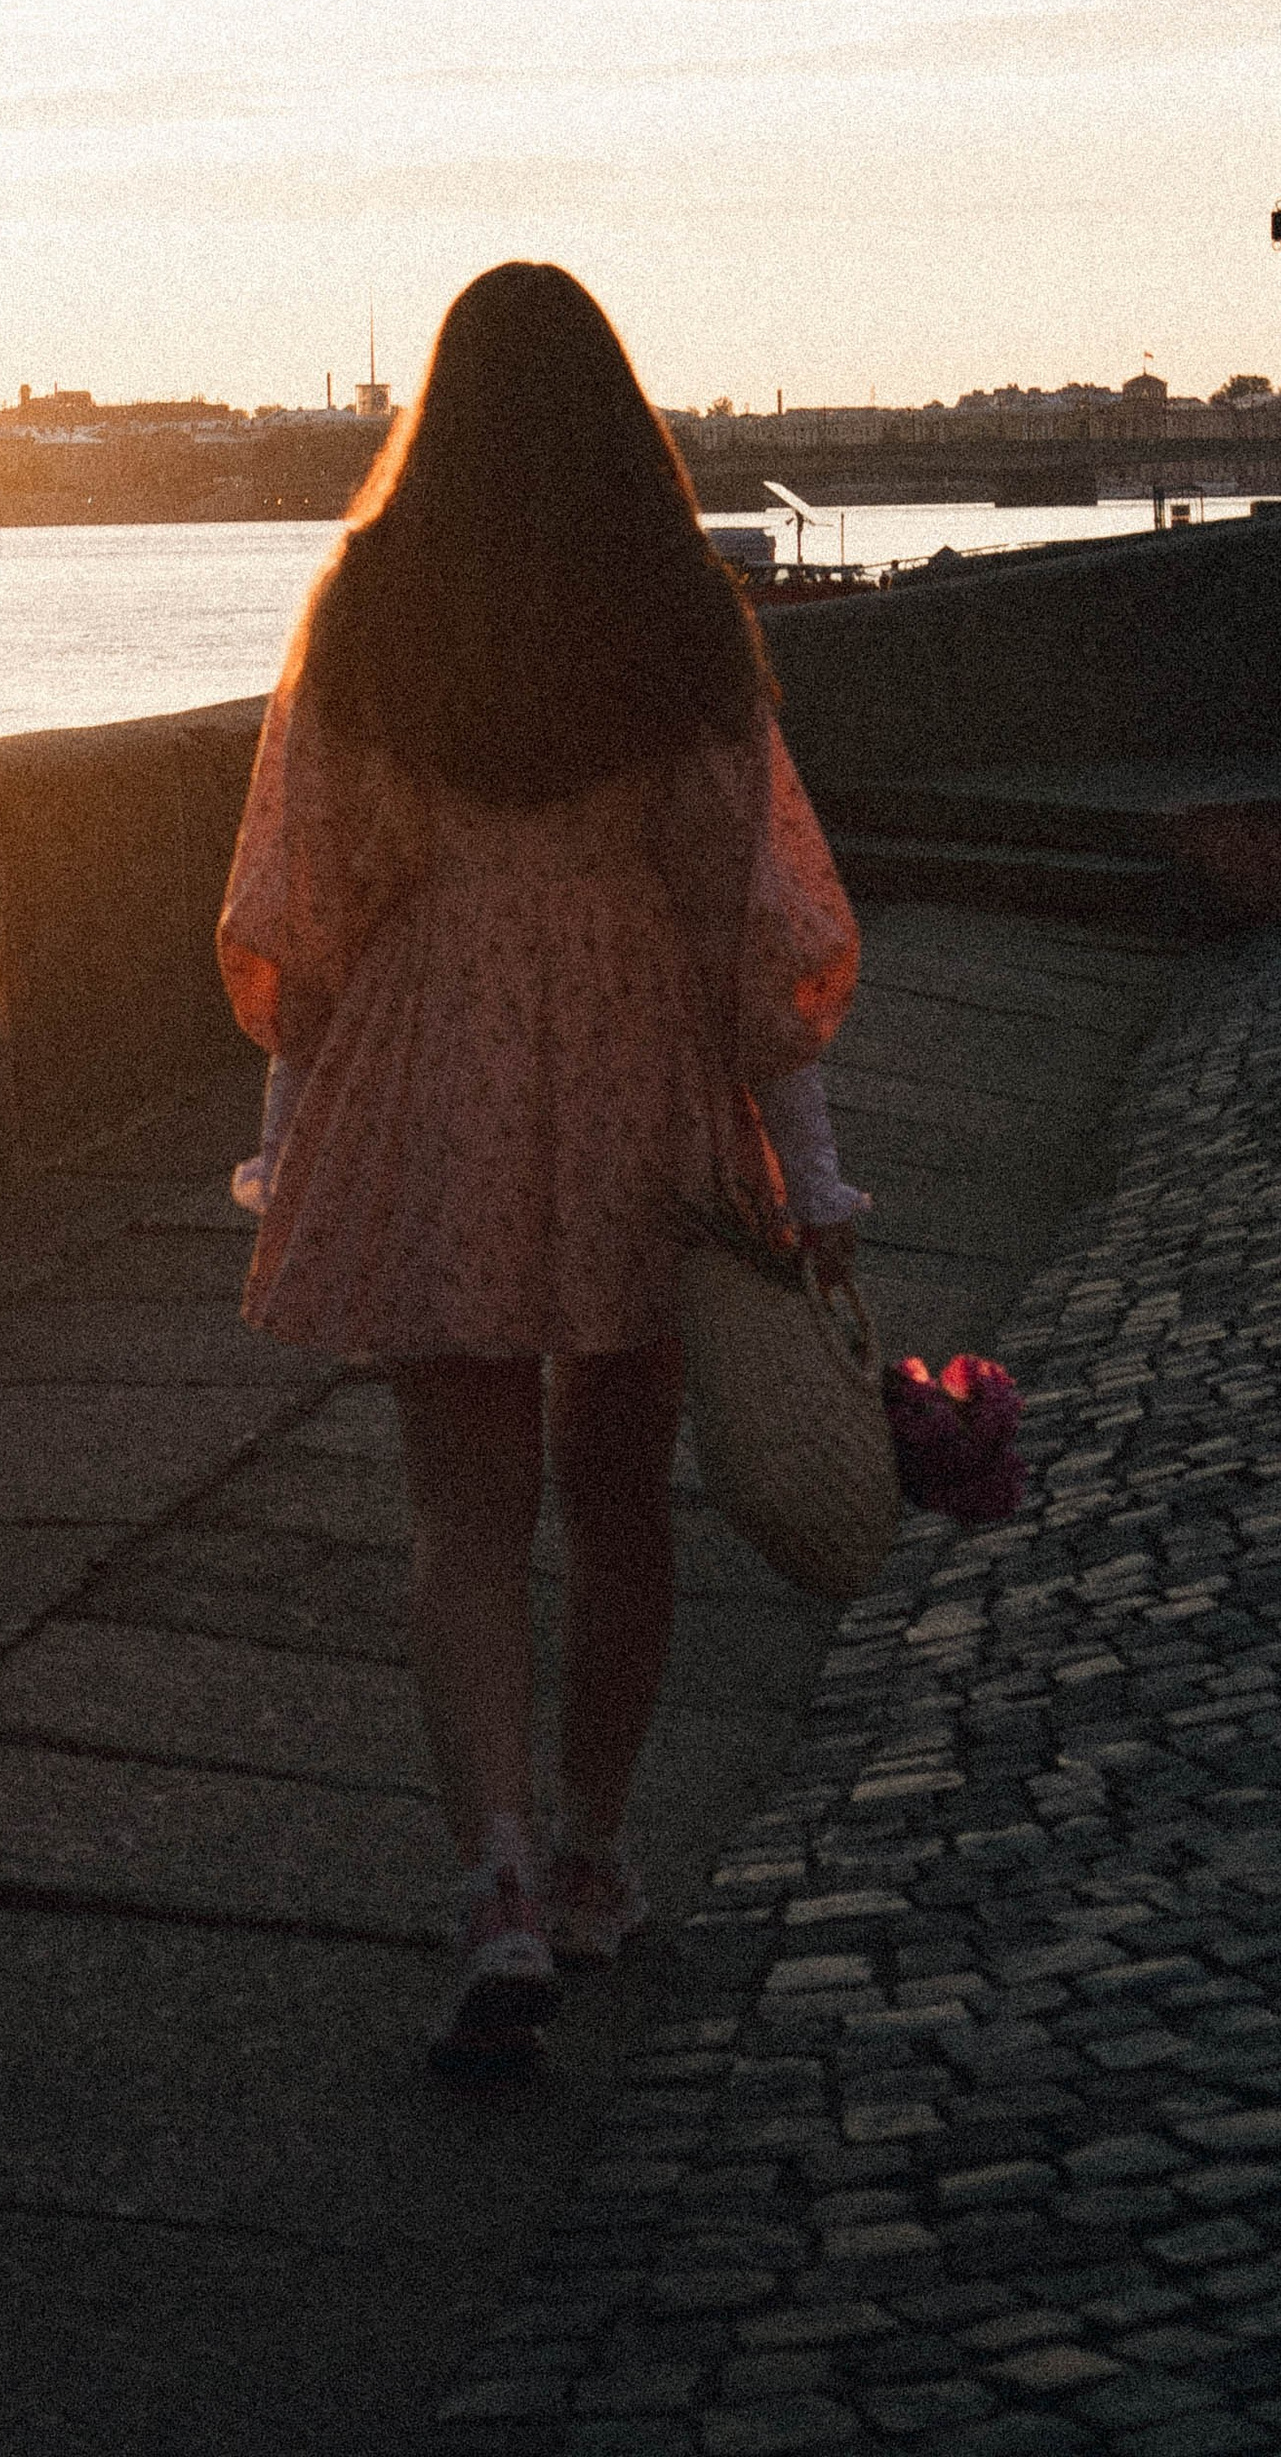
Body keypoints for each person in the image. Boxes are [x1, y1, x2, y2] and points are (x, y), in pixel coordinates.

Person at [217, 264, 859, 2071]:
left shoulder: (369, 609)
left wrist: (290, 1138)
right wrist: (807, 1173)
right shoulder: (683, 613)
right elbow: (758, 905)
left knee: (465, 1513)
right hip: (643, 1072)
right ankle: (591, 1857)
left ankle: (489, 1878)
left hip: (441, 1072)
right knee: (623, 1497)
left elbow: (303, 904)